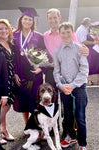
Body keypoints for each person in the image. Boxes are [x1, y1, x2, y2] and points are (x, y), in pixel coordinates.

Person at [44, 8, 89, 139]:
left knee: (66, 104)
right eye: (50, 18)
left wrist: (86, 50)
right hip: (51, 71)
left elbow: (78, 48)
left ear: (59, 18)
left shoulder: (66, 32)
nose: (52, 20)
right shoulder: (45, 35)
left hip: (67, 72)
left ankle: (67, 130)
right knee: (52, 100)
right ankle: (54, 127)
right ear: (47, 20)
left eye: (55, 17)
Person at [53, 22, 88, 150]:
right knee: (67, 115)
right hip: (64, 88)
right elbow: (56, 71)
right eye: (63, 32)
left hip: (78, 87)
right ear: (60, 34)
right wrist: (61, 85)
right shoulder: (57, 51)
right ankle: (71, 137)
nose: (66, 35)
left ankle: (82, 144)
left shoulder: (80, 48)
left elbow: (84, 70)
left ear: (72, 32)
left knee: (80, 116)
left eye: (68, 32)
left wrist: (72, 85)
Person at [13, 7, 45, 125]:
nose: (27, 22)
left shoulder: (38, 36)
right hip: (20, 73)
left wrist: (40, 68)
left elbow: (45, 53)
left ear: (33, 22)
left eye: (30, 20)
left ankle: (36, 124)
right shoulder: (14, 36)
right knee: (23, 99)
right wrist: (14, 72)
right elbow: (11, 56)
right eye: (25, 19)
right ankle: (27, 125)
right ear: (21, 20)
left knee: (35, 99)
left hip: (34, 74)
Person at [0, 19, 15, 142]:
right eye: (0, 29)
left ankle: (4, 130)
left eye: (6, 28)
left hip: (10, 79)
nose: (4, 31)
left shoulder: (11, 43)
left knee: (6, 105)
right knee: (1, 106)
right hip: (0, 80)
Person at [76, 18, 99, 85]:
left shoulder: (80, 28)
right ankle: (88, 81)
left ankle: (89, 80)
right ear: (87, 24)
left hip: (80, 49)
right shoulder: (83, 30)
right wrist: (94, 42)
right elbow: (84, 41)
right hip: (82, 49)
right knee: (90, 64)